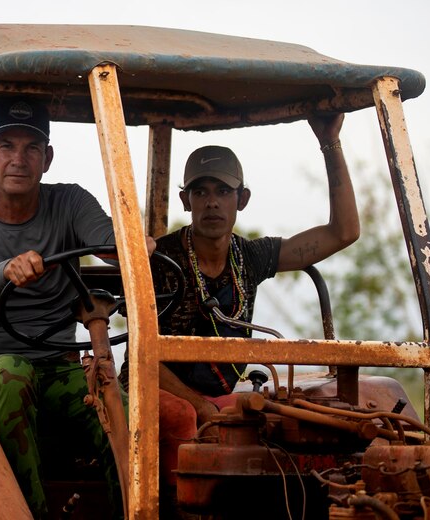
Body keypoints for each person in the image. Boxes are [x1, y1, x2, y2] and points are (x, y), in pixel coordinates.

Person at [134, 113, 360, 492]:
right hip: (162, 388)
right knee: (181, 416)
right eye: (200, 191)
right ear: (185, 200)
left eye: (222, 192)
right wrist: (199, 403)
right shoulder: (160, 259)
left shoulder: (251, 258)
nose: (211, 203)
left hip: (218, 395)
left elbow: (344, 232)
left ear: (242, 199)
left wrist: (329, 143)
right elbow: (141, 358)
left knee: (287, 422)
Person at [0, 97, 125, 518]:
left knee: (116, 399)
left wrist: (133, 245)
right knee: (11, 371)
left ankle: (136, 508)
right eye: (6, 146)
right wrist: (5, 271)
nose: (19, 159)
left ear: (47, 158)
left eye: (31, 148)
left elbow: (112, 243)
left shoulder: (70, 203)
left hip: (57, 365)